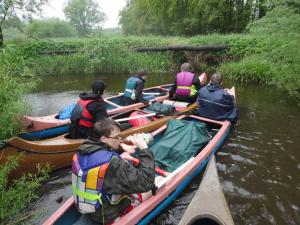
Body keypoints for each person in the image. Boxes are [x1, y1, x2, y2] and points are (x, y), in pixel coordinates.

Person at [72, 119, 156, 224]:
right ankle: (120, 215)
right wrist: (144, 148)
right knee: (158, 181)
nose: (119, 139)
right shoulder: (113, 164)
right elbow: (146, 182)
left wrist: (120, 145)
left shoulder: (82, 150)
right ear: (103, 138)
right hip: (106, 214)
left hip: (85, 206)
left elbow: (101, 154)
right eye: (117, 137)